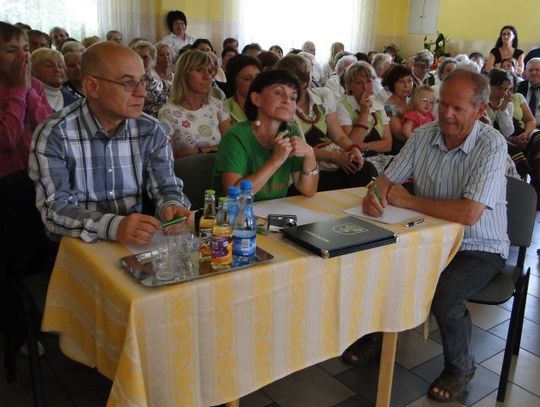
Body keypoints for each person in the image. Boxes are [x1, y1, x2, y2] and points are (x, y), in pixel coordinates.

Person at [362, 69, 509, 402]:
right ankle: (378, 336)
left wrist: (408, 201)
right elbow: (386, 180)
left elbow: (469, 214)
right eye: (443, 104)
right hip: (426, 238)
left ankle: (461, 366)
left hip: (478, 245)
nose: (446, 114)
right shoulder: (423, 135)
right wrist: (374, 195)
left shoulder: (491, 144)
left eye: (458, 108)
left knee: (446, 293)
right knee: (376, 265)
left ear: (480, 111)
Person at [28, 41, 191, 245]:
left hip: (135, 240)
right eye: (128, 83)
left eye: (142, 81)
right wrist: (115, 226)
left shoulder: (151, 129)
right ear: (92, 86)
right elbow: (54, 210)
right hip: (77, 246)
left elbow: (166, 186)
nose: (142, 92)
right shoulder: (55, 133)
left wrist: (171, 205)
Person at [213, 69, 318, 201]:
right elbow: (235, 197)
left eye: (293, 97)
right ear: (257, 99)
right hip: (235, 213)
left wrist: (310, 154)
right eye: (278, 93)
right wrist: (276, 160)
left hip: (274, 211)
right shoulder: (235, 137)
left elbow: (308, 190)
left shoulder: (290, 134)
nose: (287, 100)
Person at [276, 55, 376, 192]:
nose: (286, 89)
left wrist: (353, 149)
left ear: (305, 82)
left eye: (290, 84)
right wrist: (336, 157)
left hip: (326, 163)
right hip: (300, 170)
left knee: (365, 168)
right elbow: (297, 149)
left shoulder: (323, 97)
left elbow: (339, 136)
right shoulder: (280, 107)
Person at [0, 22, 52, 177]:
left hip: (35, 170)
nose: (23, 56)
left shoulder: (34, 84)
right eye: (11, 50)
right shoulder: (21, 85)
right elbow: (7, 137)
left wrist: (28, 89)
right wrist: (20, 89)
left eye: (26, 49)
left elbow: (48, 130)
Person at [158, 50, 230, 158]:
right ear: (184, 75)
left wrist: (192, 152)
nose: (207, 77)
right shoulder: (168, 113)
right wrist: (213, 149)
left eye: (209, 71)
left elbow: (230, 146)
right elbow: (170, 158)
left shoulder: (217, 106)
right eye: (199, 70)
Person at [130, 40, 169, 118]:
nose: (141, 61)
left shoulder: (164, 84)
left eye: (145, 58)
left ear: (153, 60)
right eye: (138, 57)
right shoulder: (128, 83)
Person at [382, 64, 414, 152]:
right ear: (392, 84)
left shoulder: (412, 102)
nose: (406, 85)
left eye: (409, 81)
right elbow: (401, 136)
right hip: (398, 150)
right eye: (401, 81)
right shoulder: (388, 106)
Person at [223, 54, 262, 124]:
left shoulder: (269, 105)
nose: (255, 82)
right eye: (248, 78)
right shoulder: (224, 109)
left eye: (258, 77)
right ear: (234, 81)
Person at [517, 58, 540, 127]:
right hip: (521, 128)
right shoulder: (518, 87)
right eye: (530, 70)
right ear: (526, 72)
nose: (533, 72)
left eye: (537, 70)